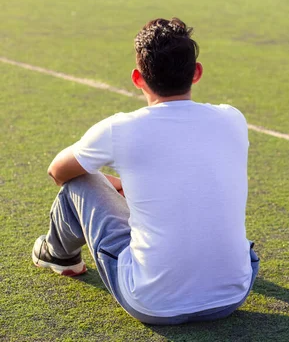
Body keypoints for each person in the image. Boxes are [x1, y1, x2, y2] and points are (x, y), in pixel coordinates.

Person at [31, 17, 259, 325]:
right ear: (197, 73)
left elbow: (58, 171)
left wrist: (106, 182)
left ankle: (59, 256)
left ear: (138, 78)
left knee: (80, 180)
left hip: (153, 304)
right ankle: (209, 271)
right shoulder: (233, 118)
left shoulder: (120, 128)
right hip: (232, 296)